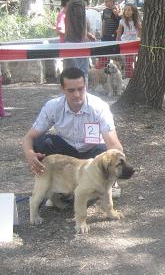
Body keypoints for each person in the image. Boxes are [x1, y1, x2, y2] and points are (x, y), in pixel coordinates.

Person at [22, 67, 123, 197]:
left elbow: (114, 144)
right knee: (42, 143)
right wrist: (30, 155)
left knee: (105, 150)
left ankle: (106, 184)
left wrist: (114, 168)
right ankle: (54, 185)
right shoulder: (53, 107)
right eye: (71, 90)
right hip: (67, 155)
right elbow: (28, 138)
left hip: (92, 154)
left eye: (80, 89)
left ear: (85, 86)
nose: (76, 94)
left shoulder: (99, 107)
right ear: (62, 89)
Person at [64, 0, 96, 78]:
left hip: (73, 41)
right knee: (80, 72)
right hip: (76, 42)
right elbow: (78, 22)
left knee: (75, 71)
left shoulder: (74, 1)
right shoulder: (78, 0)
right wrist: (82, 41)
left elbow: (78, 22)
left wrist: (88, 34)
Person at [95, 0, 121, 68]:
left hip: (115, 36)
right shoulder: (105, 11)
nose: (105, 3)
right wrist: (102, 34)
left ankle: (117, 71)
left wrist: (117, 13)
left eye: (106, 1)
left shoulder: (118, 9)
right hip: (106, 36)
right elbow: (104, 22)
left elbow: (121, 21)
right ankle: (103, 70)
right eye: (105, 1)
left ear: (111, 1)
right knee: (104, 54)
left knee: (115, 55)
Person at [116, 3, 141, 78]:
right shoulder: (122, 21)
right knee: (126, 61)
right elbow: (119, 32)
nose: (127, 11)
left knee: (132, 60)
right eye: (125, 10)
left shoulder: (137, 22)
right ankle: (129, 75)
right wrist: (117, 43)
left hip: (133, 43)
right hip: (124, 43)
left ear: (133, 11)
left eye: (129, 10)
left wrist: (139, 41)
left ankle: (131, 75)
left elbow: (140, 33)